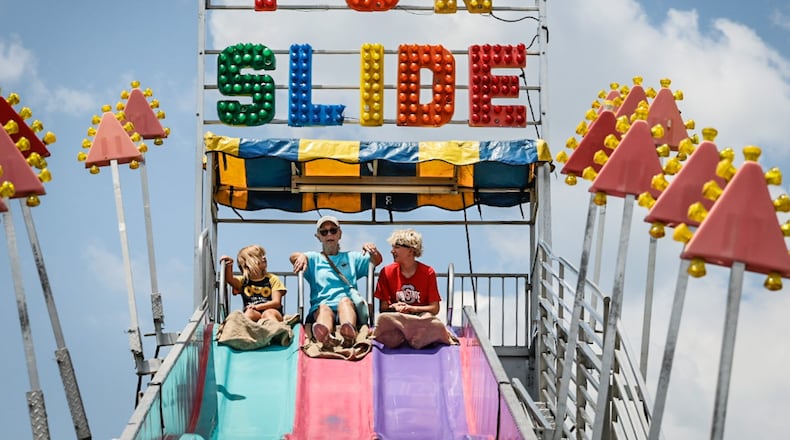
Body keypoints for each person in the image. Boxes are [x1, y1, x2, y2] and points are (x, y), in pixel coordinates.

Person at [290, 215, 382, 344]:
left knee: (345, 301)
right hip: (322, 305)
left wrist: (372, 249)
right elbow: (292, 257)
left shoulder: (351, 257)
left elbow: (376, 261)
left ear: (339, 234)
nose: (329, 235)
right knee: (323, 307)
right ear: (318, 237)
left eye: (333, 230)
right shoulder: (313, 258)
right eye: (324, 232)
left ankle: (348, 331)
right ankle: (324, 335)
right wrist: (301, 256)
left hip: (347, 305)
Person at [374, 228, 441, 316]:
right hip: (396, 318)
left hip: (420, 319)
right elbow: (383, 308)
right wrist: (394, 307)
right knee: (384, 319)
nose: (392, 251)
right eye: (392, 247)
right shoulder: (386, 272)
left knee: (428, 317)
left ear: (410, 250)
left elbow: (434, 308)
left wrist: (412, 308)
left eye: (397, 247)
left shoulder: (428, 272)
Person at [221, 245, 287, 322]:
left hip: (273, 310)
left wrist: (257, 307)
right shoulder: (243, 281)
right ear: (247, 263)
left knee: (268, 313)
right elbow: (229, 279)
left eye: (263, 255)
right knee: (248, 313)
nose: (264, 257)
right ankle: (243, 331)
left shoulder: (272, 279)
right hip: (253, 312)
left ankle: (275, 332)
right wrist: (229, 265)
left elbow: (276, 303)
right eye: (259, 256)